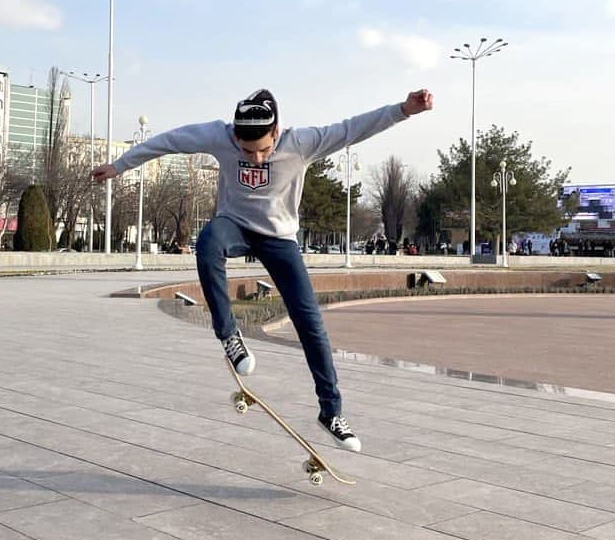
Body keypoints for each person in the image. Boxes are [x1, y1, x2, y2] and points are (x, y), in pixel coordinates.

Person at [92, 88, 433, 452]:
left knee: (310, 323)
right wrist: (121, 165)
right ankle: (229, 336)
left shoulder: (302, 142)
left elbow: (354, 128)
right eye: (246, 151)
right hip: (234, 226)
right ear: (234, 136)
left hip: (279, 239)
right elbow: (169, 140)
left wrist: (403, 110)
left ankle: (331, 412)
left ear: (277, 132)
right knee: (208, 242)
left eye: (264, 150)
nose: (255, 159)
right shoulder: (219, 136)